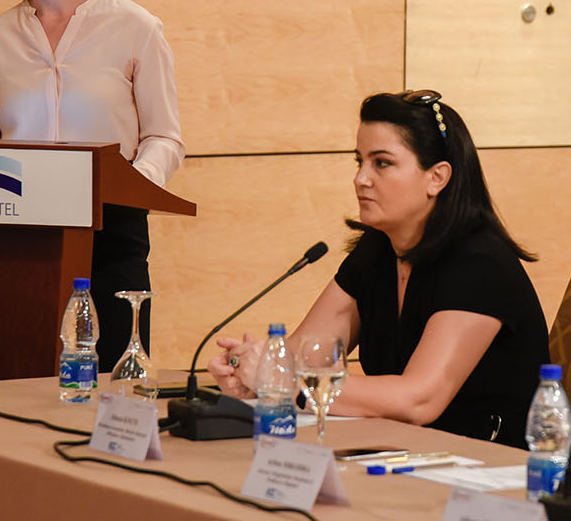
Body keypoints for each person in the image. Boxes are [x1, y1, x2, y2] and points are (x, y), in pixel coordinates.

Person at [207, 90, 551, 447]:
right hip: (408, 452)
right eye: (360, 162)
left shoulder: (480, 265)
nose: (361, 179)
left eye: (382, 163)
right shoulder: (377, 251)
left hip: (494, 464)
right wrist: (249, 373)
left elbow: (419, 400)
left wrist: (281, 379)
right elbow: (301, 357)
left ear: (437, 177)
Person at [0, 0, 184, 369]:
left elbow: (164, 136)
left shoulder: (135, 27)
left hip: (111, 229)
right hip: (19, 230)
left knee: (110, 378)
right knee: (20, 374)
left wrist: (129, 186)